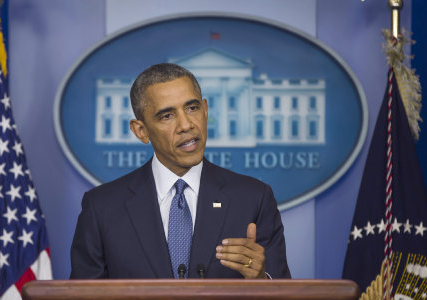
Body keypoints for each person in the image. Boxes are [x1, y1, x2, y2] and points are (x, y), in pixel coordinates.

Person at [70, 63, 290, 279]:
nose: (186, 125)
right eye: (167, 116)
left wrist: (262, 279)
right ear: (141, 131)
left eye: (192, 108)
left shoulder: (253, 198)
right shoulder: (102, 208)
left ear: (205, 111)